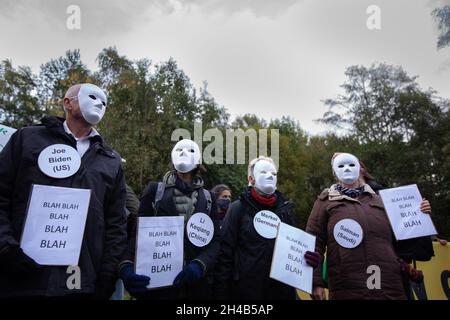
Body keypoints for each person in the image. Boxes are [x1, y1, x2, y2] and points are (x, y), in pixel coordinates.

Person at [0, 83, 128, 299]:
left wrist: (107, 273)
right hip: (21, 278)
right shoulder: (27, 139)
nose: (100, 103)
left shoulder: (111, 160)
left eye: (104, 102)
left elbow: (116, 223)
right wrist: (6, 248)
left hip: (80, 282)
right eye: (93, 97)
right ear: (68, 103)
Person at [306, 152, 431, 300]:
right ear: (334, 172)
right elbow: (314, 242)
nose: (347, 168)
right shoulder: (325, 202)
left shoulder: (383, 200)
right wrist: (315, 282)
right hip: (347, 286)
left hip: (388, 285)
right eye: (341, 165)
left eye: (351, 164)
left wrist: (420, 213)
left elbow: (405, 238)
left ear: (360, 169)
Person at [119, 139, 221, 300]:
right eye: (179, 150)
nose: (184, 154)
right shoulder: (155, 191)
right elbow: (138, 233)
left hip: (196, 288)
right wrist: (126, 265)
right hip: (159, 287)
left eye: (190, 151)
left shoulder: (209, 198)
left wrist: (200, 265)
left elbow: (215, 242)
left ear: (198, 162)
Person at [214, 156, 320, 300]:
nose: (270, 176)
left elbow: (294, 250)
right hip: (245, 293)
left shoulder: (285, 211)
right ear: (251, 179)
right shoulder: (238, 209)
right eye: (263, 172)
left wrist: (307, 260)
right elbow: (224, 254)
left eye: (274, 173)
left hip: (280, 293)